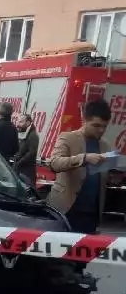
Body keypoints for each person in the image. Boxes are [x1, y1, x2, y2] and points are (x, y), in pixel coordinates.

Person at [48, 98, 111, 234]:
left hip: (91, 214)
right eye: (96, 125)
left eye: (104, 126)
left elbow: (101, 177)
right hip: (67, 209)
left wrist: (113, 176)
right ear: (84, 121)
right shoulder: (67, 138)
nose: (101, 130)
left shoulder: (105, 145)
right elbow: (54, 163)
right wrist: (83, 158)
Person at [14, 113, 40, 186]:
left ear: (28, 123)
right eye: (17, 121)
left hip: (27, 171)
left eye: (21, 122)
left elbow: (31, 153)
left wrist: (19, 163)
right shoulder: (24, 133)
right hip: (21, 169)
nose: (17, 124)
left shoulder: (33, 135)